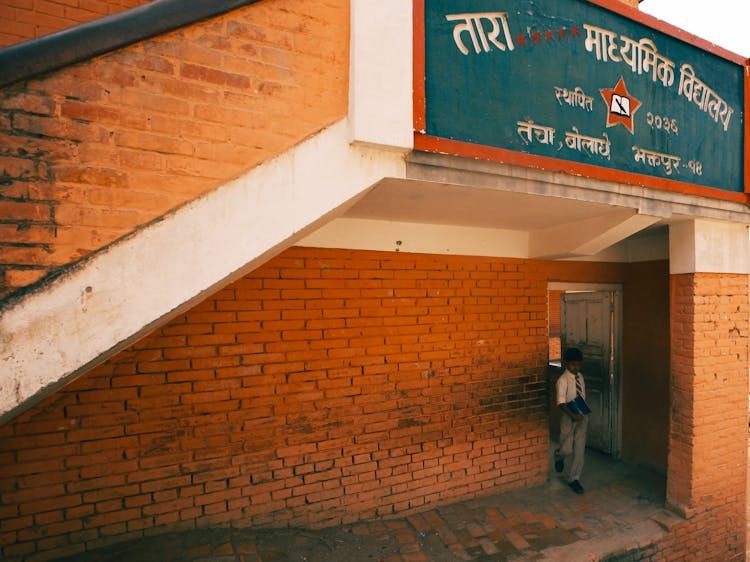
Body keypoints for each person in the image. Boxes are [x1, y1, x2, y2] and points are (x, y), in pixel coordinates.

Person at [554, 347, 589, 494]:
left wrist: (581, 413)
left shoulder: (580, 377)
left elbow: (581, 395)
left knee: (579, 449)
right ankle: (558, 456)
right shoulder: (562, 380)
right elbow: (561, 403)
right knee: (567, 448)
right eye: (573, 364)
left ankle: (574, 478)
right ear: (566, 363)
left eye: (579, 364)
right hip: (568, 416)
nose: (576, 367)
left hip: (582, 415)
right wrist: (573, 415)